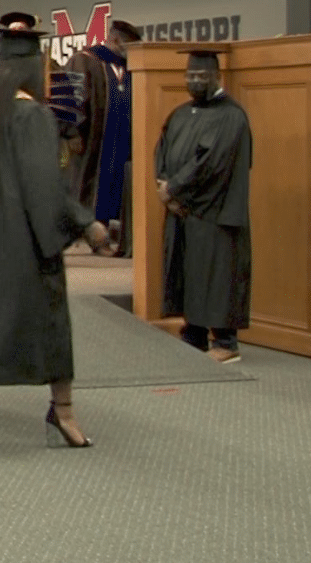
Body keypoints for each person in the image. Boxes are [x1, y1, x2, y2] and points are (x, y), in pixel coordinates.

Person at [0, 21, 112, 453]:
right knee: (50, 323)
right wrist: (85, 222)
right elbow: (44, 184)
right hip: (21, 242)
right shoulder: (33, 115)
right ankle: (63, 413)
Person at [155, 49, 253, 363]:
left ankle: (225, 341)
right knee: (188, 271)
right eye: (190, 76)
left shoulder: (231, 116)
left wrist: (176, 190)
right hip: (182, 210)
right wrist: (165, 188)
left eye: (201, 76)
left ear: (217, 77)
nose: (194, 82)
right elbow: (162, 152)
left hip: (215, 210)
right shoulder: (180, 114)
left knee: (217, 273)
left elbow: (213, 164)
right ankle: (193, 333)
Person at [57, 19, 143, 256]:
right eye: (129, 44)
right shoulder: (84, 60)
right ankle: (90, 234)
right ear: (116, 40)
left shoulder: (130, 67)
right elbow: (69, 100)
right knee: (85, 185)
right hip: (90, 142)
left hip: (122, 142)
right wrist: (70, 132)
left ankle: (110, 233)